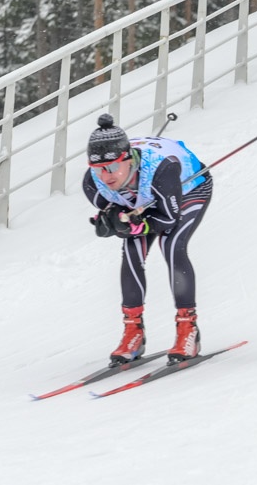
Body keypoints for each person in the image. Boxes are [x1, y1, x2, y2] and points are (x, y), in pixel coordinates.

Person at [82, 113, 213, 365]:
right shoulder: (93, 184)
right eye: (98, 169)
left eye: (111, 168)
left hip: (188, 190)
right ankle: (133, 331)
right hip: (147, 200)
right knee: (132, 251)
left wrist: (135, 226)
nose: (106, 176)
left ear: (128, 159)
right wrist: (115, 223)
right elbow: (117, 216)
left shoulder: (161, 172)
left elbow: (167, 219)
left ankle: (189, 329)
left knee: (172, 244)